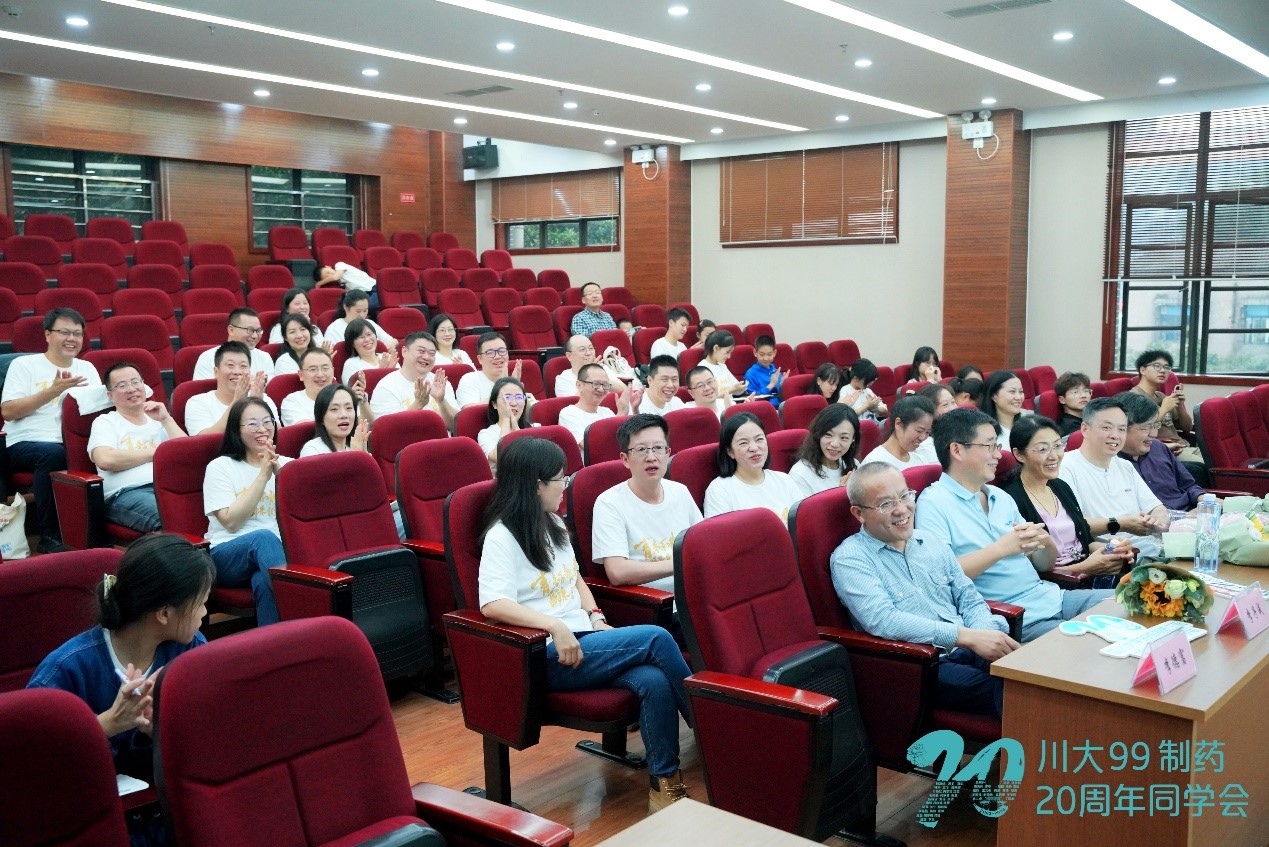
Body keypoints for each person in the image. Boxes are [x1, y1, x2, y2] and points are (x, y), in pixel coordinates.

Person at [477, 436, 692, 812]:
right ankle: (713, 734)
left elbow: (574, 578)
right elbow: (493, 604)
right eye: (559, 479)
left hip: (584, 640)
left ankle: (665, 786)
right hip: (547, 656)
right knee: (656, 638)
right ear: (536, 485)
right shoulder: (502, 536)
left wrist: (596, 616)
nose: (565, 486)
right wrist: (554, 626)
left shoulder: (552, 522)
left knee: (653, 680)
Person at [27, 533, 213, 843]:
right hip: (89, 824)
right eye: (201, 603)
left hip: (165, 816)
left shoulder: (190, 652)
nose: (206, 614)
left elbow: (214, 739)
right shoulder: (67, 668)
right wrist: (109, 723)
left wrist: (163, 731)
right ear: (164, 614)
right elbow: (28, 758)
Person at [831, 464, 1016, 717]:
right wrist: (966, 637)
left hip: (971, 643)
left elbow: (968, 597)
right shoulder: (850, 559)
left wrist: (983, 635)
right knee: (1014, 692)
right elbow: (884, 620)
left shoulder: (930, 540)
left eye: (905, 496)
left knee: (1032, 674)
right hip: (925, 664)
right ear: (859, 513)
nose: (901, 509)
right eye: (886, 504)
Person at [914, 408, 1112, 641]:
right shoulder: (933, 503)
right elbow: (941, 578)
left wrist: (1045, 541)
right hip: (1012, 616)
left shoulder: (1000, 497)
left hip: (1052, 597)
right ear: (957, 450)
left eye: (997, 446)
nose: (998, 455)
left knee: (1128, 605)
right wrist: (1001, 549)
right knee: (1093, 641)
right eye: (989, 446)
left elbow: (1043, 564)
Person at [0, 307, 102, 552]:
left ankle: (96, 534)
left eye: (77, 333)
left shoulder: (87, 368)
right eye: (64, 332)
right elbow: (9, 411)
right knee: (54, 453)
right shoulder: (24, 365)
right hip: (25, 443)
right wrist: (53, 391)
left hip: (72, 442)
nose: (71, 339)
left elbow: (97, 412)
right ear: (47, 335)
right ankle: (49, 536)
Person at [1001, 415, 1134, 589]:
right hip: (1056, 587)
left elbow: (1086, 542)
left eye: (1057, 446)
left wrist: (1112, 550)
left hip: (1088, 576)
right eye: (1042, 449)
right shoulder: (1011, 500)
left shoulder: (1060, 486)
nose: (1054, 456)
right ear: (1019, 454)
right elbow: (1030, 572)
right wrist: (1085, 567)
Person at [592, 414, 702, 593]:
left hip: (694, 593)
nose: (651, 457)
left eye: (658, 448)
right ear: (625, 459)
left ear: (668, 453)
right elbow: (617, 572)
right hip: (652, 602)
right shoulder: (609, 503)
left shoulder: (680, 491)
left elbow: (702, 546)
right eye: (641, 449)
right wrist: (680, 562)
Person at [203, 397, 288, 626]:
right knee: (264, 538)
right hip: (227, 555)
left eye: (268, 422)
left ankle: (276, 643)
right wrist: (263, 476)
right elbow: (231, 522)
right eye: (252, 424)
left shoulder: (287, 465)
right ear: (236, 430)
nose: (262, 429)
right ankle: (298, 612)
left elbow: (303, 516)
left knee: (263, 581)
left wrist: (283, 478)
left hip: (274, 559)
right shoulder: (220, 467)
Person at [1057, 396, 1170, 556]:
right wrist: (1121, 524)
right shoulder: (1066, 467)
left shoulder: (1125, 466)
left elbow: (1156, 507)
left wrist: (1158, 521)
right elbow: (1071, 525)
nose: (1115, 435)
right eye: (1106, 428)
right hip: (1115, 554)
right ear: (1085, 429)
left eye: (1121, 429)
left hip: (1154, 547)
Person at [88, 362, 187, 533]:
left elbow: (187, 454)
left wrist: (166, 419)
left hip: (170, 487)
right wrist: (158, 452)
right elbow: (105, 460)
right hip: (127, 493)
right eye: (122, 386)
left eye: (135, 382)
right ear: (110, 395)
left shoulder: (159, 419)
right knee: (171, 519)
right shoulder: (106, 422)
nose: (131, 389)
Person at [704, 412, 801, 521]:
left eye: (759, 439)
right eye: (743, 443)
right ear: (730, 452)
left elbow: (801, 522)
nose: (754, 448)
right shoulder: (720, 490)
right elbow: (719, 531)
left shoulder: (784, 480)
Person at [1118, 391, 1205, 511]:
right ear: (1122, 428)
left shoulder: (1158, 447)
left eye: (1155, 425)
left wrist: (1204, 499)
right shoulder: (1111, 463)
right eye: (1147, 427)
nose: (1154, 434)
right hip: (1160, 520)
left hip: (1189, 513)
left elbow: (1189, 486)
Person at [184, 342, 278, 437]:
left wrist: (257, 403)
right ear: (216, 372)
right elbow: (204, 440)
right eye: (230, 365)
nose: (237, 372)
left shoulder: (261, 398)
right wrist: (237, 402)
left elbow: (277, 435)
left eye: (243, 366)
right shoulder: (198, 402)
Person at [368, 331, 457, 427]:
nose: (426, 357)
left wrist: (441, 401)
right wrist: (418, 404)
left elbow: (455, 426)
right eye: (421, 351)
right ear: (404, 351)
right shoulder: (386, 386)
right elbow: (387, 430)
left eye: (432, 353)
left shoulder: (440, 383)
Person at [1130, 349, 1197, 461]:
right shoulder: (1134, 397)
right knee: (1209, 467)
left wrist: (1180, 406)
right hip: (1165, 451)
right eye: (1157, 366)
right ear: (1142, 370)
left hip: (1184, 446)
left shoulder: (1162, 396)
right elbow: (1140, 429)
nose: (1163, 371)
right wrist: (1164, 409)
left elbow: (1187, 428)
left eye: (1166, 367)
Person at [559, 363, 639, 445]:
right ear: (579, 385)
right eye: (596, 384)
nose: (601, 389)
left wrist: (635, 409)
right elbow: (589, 446)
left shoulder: (607, 412)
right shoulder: (568, 414)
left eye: (605, 385)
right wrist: (620, 415)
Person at [789, 404, 860, 497]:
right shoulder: (800, 474)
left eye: (844, 437)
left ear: (853, 439)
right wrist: (840, 495)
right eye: (828, 435)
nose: (835, 444)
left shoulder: (853, 465)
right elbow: (803, 507)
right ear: (818, 433)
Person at [192, 308, 274, 380]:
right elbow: (203, 391)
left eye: (258, 331)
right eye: (250, 330)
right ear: (231, 330)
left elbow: (268, 390)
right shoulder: (208, 358)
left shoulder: (264, 358)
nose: (255, 336)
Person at [859, 394, 935, 471]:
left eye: (927, 432)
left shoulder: (921, 460)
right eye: (919, 431)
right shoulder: (875, 463)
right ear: (898, 424)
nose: (922, 438)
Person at [478, 376, 535, 474]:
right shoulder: (486, 434)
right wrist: (506, 419)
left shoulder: (535, 427)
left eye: (519, 397)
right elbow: (499, 456)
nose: (514, 403)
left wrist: (515, 427)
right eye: (507, 398)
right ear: (494, 404)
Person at [456, 332, 526, 408]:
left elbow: (529, 411)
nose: (497, 356)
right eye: (490, 353)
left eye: (502, 351)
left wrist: (517, 387)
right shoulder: (470, 379)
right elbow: (469, 410)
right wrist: (503, 387)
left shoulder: (513, 380)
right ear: (480, 359)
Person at [300, 383, 369, 457]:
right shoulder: (312, 450)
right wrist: (355, 455)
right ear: (321, 418)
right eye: (334, 409)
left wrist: (364, 454)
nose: (343, 415)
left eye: (348, 408)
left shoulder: (356, 446)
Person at [280, 348, 343, 427]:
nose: (320, 374)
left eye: (325, 368)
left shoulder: (345, 397)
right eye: (313, 369)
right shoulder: (292, 402)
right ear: (301, 375)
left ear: (333, 371)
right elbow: (308, 430)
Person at [323, 289, 394, 347]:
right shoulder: (334, 329)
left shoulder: (370, 323)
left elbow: (392, 341)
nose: (362, 315)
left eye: (365, 310)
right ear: (346, 308)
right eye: (358, 311)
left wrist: (388, 346)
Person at [342, 317, 398, 383]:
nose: (367, 339)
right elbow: (356, 388)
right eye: (361, 337)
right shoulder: (351, 364)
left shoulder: (388, 358)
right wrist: (381, 372)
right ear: (352, 343)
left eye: (369, 334)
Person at [980, 370, 1026, 449]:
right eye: (1012, 391)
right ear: (994, 396)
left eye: (1021, 392)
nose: (1018, 397)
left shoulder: (1028, 425)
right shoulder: (984, 432)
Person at [272, 312, 326, 377]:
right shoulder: (283, 362)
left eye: (303, 329)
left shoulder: (320, 356)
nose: (299, 335)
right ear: (285, 337)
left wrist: (326, 360)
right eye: (292, 332)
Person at [700, 330, 747, 398]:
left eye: (730, 353)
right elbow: (710, 396)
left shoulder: (722, 366)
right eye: (727, 352)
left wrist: (741, 388)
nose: (729, 357)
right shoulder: (702, 368)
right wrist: (732, 389)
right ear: (716, 348)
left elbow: (736, 389)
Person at [744, 335, 788, 406]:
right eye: (762, 355)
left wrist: (783, 385)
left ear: (774, 353)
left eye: (769, 354)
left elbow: (782, 397)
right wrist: (771, 385)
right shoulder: (751, 374)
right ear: (755, 353)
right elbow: (753, 399)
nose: (766, 358)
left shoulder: (775, 371)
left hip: (780, 407)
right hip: (763, 408)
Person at [1053, 371, 1092, 437]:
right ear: (1062, 400)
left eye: (1086, 391)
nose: (1083, 396)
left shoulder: (1089, 417)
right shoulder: (1069, 427)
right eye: (1075, 392)